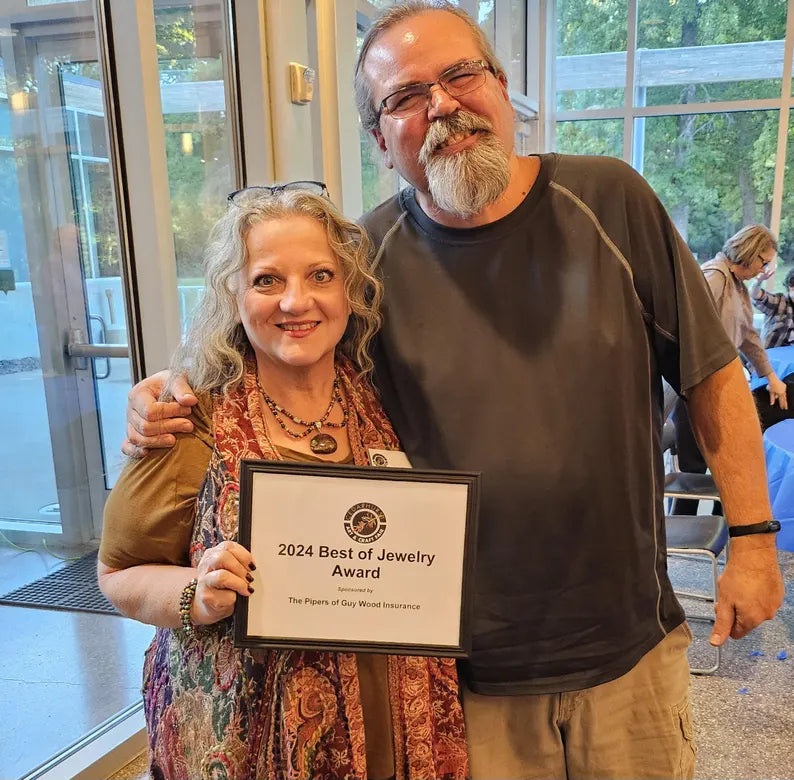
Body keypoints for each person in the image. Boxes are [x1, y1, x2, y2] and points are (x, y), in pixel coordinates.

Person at [122, 3, 784, 777]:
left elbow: (707, 374)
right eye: (404, 97)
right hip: (458, 670)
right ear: (380, 137)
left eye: (460, 74)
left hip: (625, 647)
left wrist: (752, 540)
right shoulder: (364, 260)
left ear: (502, 88)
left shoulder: (611, 201)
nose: (441, 105)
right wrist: (168, 390)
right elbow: (271, 348)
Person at [98, 185, 468, 780]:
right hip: (244, 739)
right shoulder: (192, 416)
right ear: (234, 296)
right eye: (267, 280)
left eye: (320, 275)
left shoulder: (384, 396)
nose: (296, 302)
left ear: (350, 291)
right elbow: (117, 573)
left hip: (390, 721)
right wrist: (199, 591)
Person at [671, 224, 786, 514]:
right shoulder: (715, 276)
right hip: (695, 388)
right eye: (763, 260)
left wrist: (771, 376)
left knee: (724, 464)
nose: (764, 268)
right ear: (748, 252)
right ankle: (686, 545)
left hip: (715, 386)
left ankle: (718, 531)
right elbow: (687, 329)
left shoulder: (736, 285)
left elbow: (748, 336)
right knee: (694, 470)